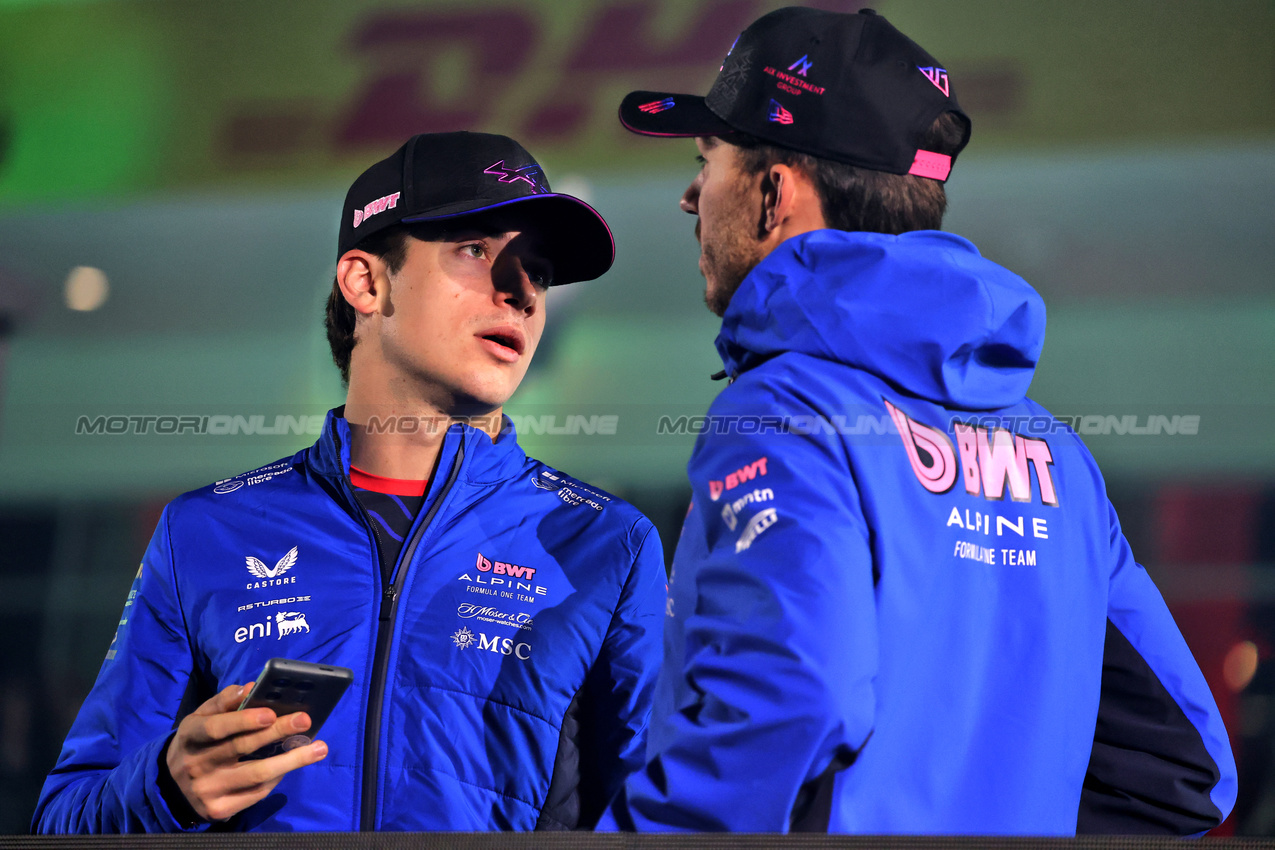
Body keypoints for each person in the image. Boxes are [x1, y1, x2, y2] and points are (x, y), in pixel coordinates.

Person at [600, 6, 1237, 835]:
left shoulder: (785, 412)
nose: (690, 196)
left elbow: (790, 705)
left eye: (705, 162)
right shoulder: (1055, 454)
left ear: (772, 194)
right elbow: (1185, 766)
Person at [33, 131, 667, 833]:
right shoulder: (205, 531)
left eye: (539, 273)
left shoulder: (606, 544)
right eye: (475, 250)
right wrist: (166, 787)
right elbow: (64, 821)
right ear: (366, 283)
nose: (521, 293)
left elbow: (659, 822)